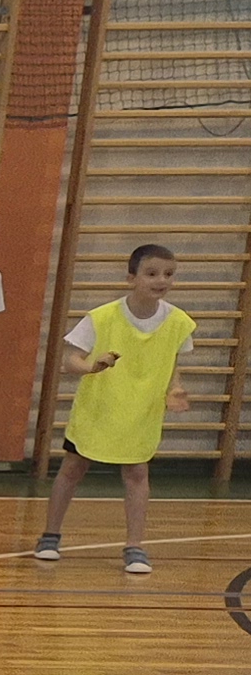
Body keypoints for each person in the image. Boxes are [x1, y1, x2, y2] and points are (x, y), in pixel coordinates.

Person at [40, 242, 197, 575]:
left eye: (168, 274)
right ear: (131, 278)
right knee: (72, 469)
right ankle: (50, 536)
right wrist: (91, 367)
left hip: (141, 412)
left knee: (137, 474)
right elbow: (70, 361)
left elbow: (173, 363)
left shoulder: (179, 322)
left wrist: (175, 389)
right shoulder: (102, 317)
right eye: (152, 273)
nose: (161, 280)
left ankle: (134, 546)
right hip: (98, 409)